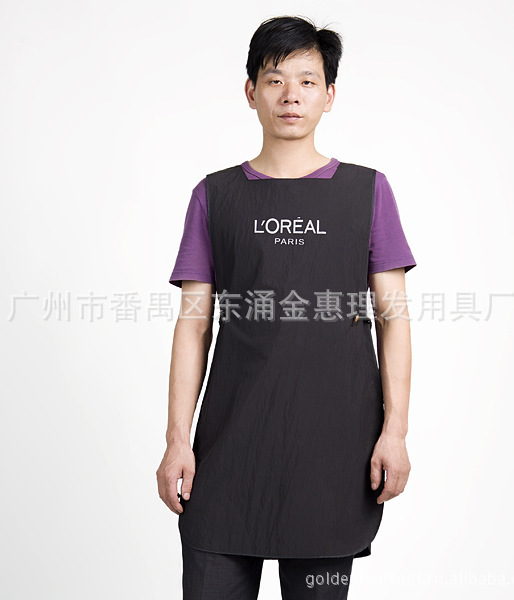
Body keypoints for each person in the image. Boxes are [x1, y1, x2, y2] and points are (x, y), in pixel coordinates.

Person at [157, 15, 416, 600]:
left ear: (330, 95)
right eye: (275, 80)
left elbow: (393, 320)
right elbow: (193, 327)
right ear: (251, 92)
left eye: (307, 81)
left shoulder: (367, 192)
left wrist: (395, 432)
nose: (291, 95)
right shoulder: (215, 195)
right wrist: (177, 440)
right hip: (226, 457)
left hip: (334, 458)